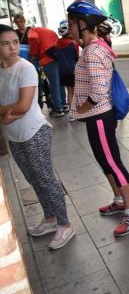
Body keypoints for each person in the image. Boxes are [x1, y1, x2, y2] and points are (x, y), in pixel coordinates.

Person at [67, 0, 129, 237]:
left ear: (82, 24)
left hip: (99, 116)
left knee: (112, 162)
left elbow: (98, 90)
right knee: (104, 160)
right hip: (96, 117)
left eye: (71, 24)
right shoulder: (93, 47)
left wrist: (81, 108)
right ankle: (120, 200)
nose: (68, 29)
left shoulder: (93, 51)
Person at [0, 24, 75, 249]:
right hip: (13, 134)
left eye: (15, 42)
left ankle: (65, 224)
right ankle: (50, 219)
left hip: (35, 132)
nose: (13, 47)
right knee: (33, 179)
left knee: (45, 178)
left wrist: (7, 112)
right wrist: (8, 114)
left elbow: (24, 105)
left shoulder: (26, 69)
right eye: (5, 43)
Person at [24, 16, 67, 117]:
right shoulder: (45, 30)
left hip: (47, 58)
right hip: (57, 57)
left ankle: (58, 109)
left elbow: (32, 39)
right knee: (60, 83)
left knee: (54, 84)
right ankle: (64, 105)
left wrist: (33, 54)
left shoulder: (31, 31)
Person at [52, 20, 79, 115]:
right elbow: (77, 58)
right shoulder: (73, 43)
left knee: (69, 92)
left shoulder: (57, 44)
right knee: (76, 92)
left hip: (63, 72)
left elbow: (50, 52)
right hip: (73, 71)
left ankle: (72, 115)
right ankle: (78, 112)